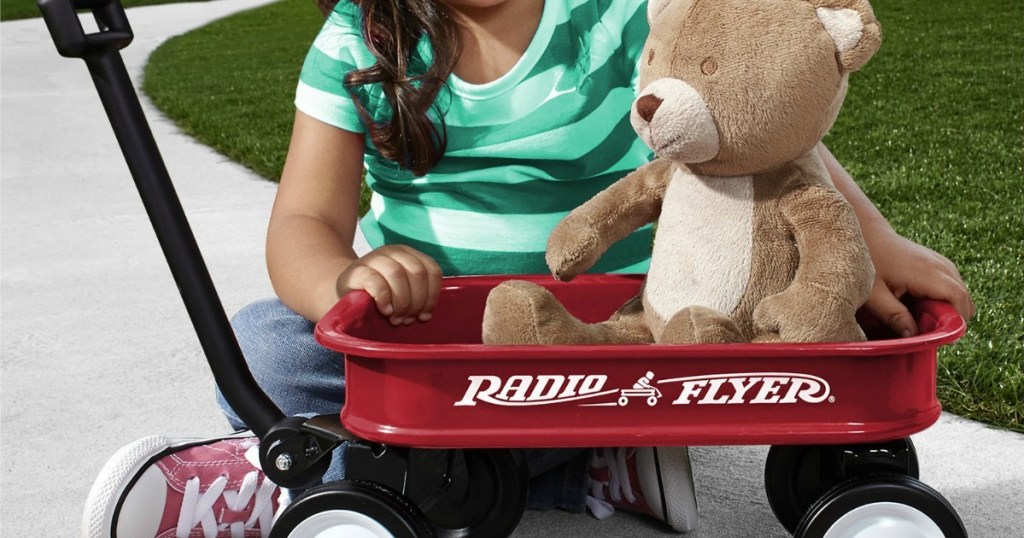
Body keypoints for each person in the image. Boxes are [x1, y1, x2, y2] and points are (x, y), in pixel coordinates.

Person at [81, 0, 977, 536]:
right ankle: (580, 463)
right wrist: (346, 283)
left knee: (801, 318)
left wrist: (872, 243)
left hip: (622, 329)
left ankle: (506, 459)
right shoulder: (364, 40)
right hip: (448, 345)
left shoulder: (614, 14)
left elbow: (758, 132)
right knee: (268, 349)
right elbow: (306, 221)